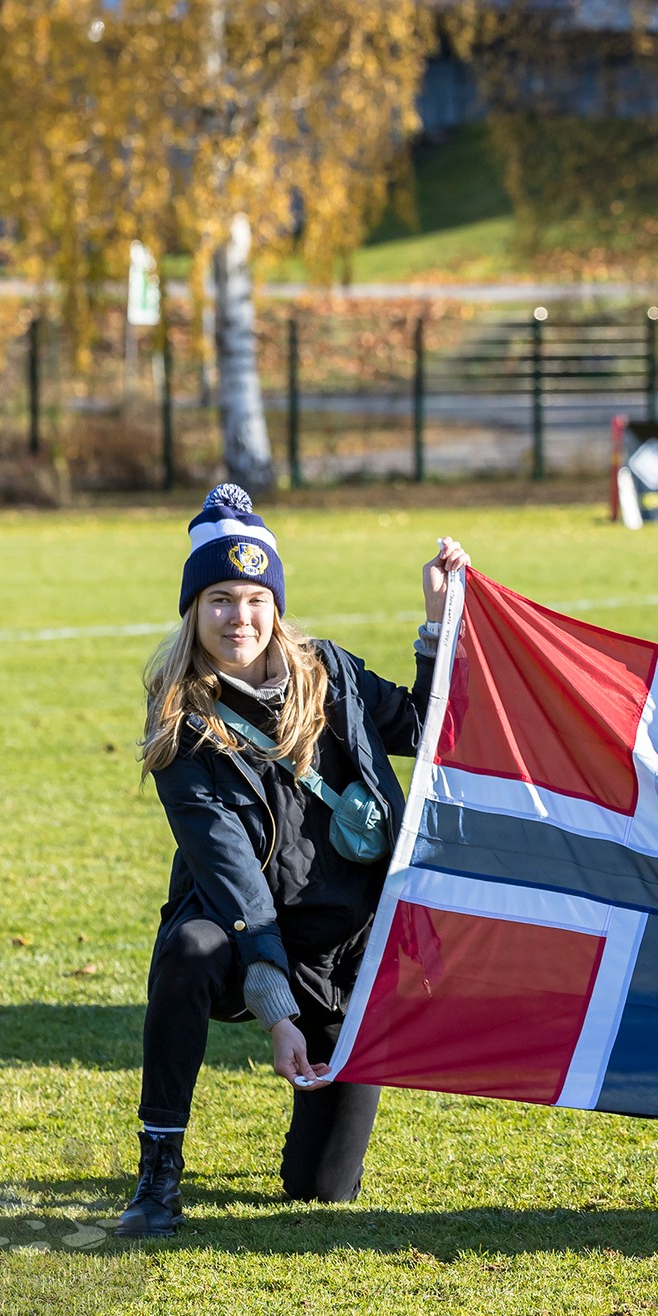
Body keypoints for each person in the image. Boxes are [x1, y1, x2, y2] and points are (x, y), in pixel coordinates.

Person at [116, 484, 469, 1238]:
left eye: (252, 597)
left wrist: (439, 623)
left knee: (321, 1190)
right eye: (218, 598)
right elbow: (233, 873)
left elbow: (425, 726)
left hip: (349, 949)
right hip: (251, 940)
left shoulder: (330, 672)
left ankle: (322, 1115)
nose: (237, 616)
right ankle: (157, 1172)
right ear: (193, 609)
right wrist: (275, 1005)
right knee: (187, 947)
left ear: (275, 603)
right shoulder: (180, 724)